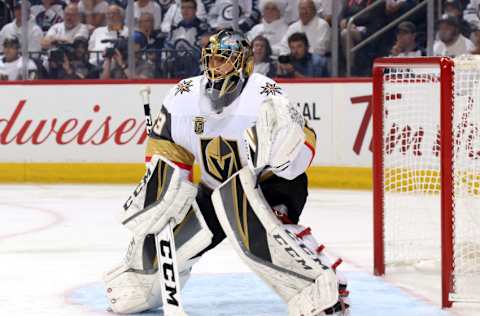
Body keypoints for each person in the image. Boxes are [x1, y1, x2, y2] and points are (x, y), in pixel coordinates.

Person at [103, 29, 349, 316]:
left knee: (264, 234)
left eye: (224, 60)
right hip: (213, 190)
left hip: (269, 186)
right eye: (212, 60)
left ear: (243, 63)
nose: (215, 67)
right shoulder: (183, 96)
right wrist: (163, 191)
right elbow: (166, 153)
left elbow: (299, 153)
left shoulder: (266, 95)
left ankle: (322, 283)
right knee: (165, 237)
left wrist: (285, 148)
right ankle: (143, 283)